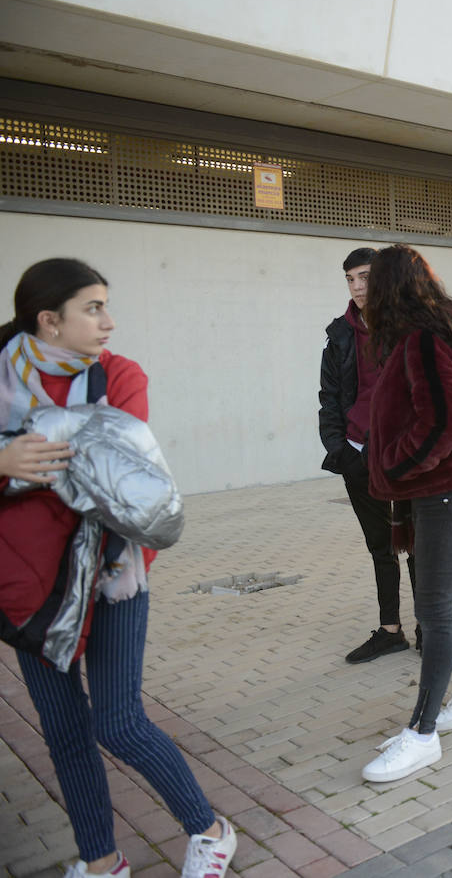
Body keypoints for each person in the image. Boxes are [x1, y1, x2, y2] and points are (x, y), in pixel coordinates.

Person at [1, 258, 237, 878]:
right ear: (49, 321)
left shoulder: (120, 377)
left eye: (106, 306)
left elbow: (133, 486)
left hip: (112, 575)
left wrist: (31, 460)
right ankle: (101, 861)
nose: (109, 321)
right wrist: (5, 460)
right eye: (93, 308)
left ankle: (210, 831)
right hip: (29, 585)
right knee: (63, 730)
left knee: (119, 722)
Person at [357, 245, 452, 782]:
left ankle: (421, 734)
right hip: (444, 489)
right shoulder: (426, 330)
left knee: (434, 609)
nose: (362, 292)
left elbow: (443, 419)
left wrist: (397, 466)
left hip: (445, 489)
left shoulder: (421, 339)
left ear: (389, 288)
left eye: (371, 282)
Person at [319, 246, 422, 663]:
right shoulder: (340, 333)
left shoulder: (409, 326)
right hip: (359, 453)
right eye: (350, 279)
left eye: (364, 277)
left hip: (405, 453)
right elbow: (329, 397)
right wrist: (339, 450)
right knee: (380, 546)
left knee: (417, 545)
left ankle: (428, 628)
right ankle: (390, 630)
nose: (358, 287)